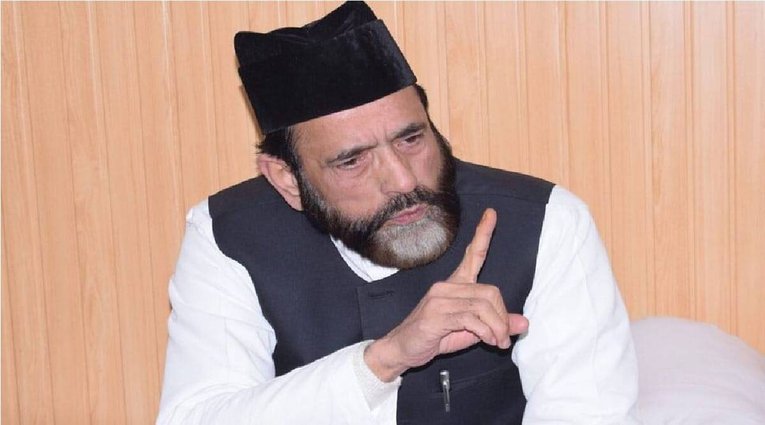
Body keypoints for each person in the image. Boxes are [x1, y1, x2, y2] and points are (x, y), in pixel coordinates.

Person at [157, 2, 640, 424]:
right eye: (353, 161)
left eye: (411, 139)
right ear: (287, 179)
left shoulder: (545, 223)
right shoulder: (228, 236)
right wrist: (382, 361)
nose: (404, 181)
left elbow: (588, 414)